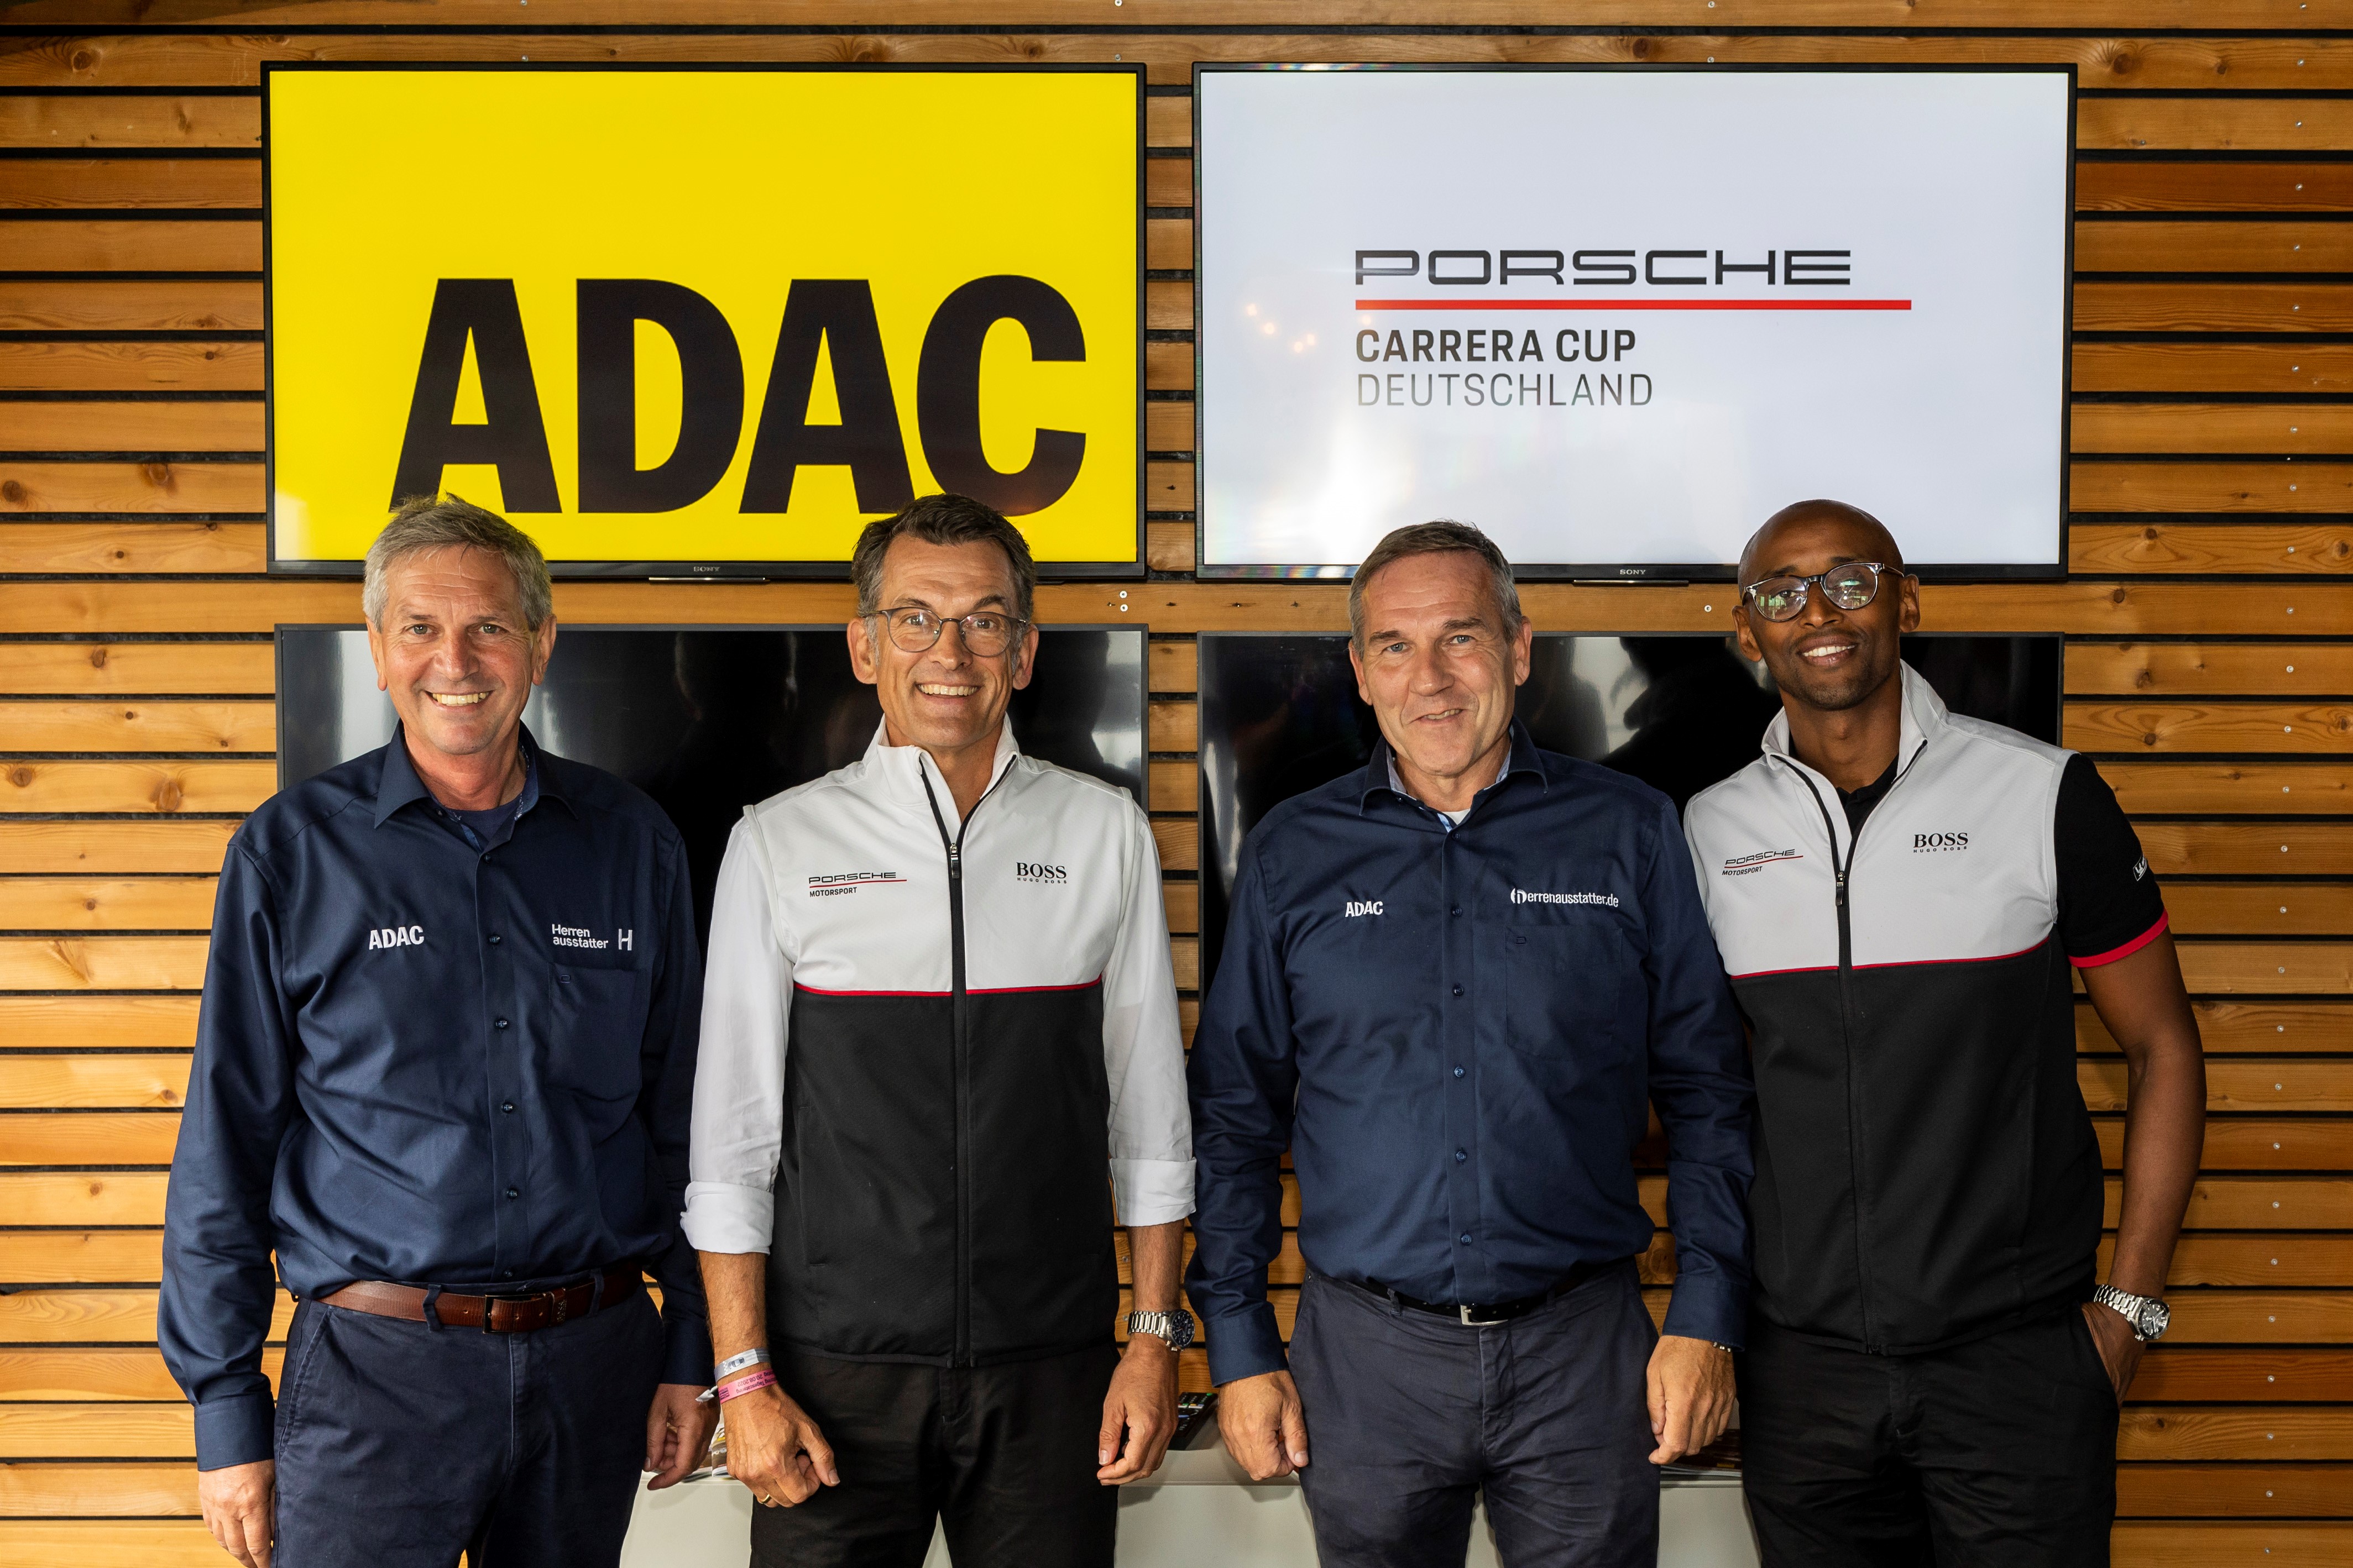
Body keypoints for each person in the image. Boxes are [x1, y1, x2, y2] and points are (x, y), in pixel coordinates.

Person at [161, 496, 716, 1568]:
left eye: (489, 627)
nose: (454, 661)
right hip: (373, 1381)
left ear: (540, 644)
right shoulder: (291, 855)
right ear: (378, 652)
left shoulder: (633, 846)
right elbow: (225, 1142)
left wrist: (694, 1345)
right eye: (420, 628)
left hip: (595, 1367)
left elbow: (686, 1119)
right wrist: (227, 1408)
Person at [1188, 520, 1756, 1567]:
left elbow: (1709, 1090)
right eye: (1396, 646)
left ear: (1520, 649)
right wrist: (1238, 1345)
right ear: (1361, 671)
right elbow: (1233, 1116)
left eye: (1461, 637)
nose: (1432, 678)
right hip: (1366, 1367)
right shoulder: (1290, 855)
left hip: (1583, 1356)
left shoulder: (1630, 831)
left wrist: (1708, 1314)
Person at [1683, 500, 2206, 1566]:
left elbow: (2165, 1048)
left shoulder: (2044, 794)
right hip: (1806, 1379)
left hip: (2018, 1366)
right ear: (1748, 631)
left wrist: (2128, 1310)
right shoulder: (1709, 827)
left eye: (1852, 580)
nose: (1819, 611)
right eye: (1782, 591)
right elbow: (1713, 1091)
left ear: (1907, 601)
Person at [684, 494, 1194, 1567]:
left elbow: (1151, 1117)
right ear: (865, 647)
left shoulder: (1104, 833)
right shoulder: (777, 844)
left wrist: (1152, 1339)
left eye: (983, 620)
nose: (949, 652)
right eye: (915, 618)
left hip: (1049, 1371)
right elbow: (733, 1145)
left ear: (1025, 650)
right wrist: (743, 1377)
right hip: (833, 1379)